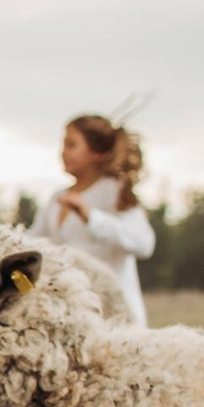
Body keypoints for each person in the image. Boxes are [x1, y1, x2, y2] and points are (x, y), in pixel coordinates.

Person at [33, 113, 154, 325]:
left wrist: (91, 216)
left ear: (96, 153)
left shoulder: (114, 192)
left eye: (71, 145)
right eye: (63, 145)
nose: (63, 152)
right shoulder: (58, 197)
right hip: (73, 314)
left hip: (115, 315)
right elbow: (32, 242)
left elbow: (144, 244)